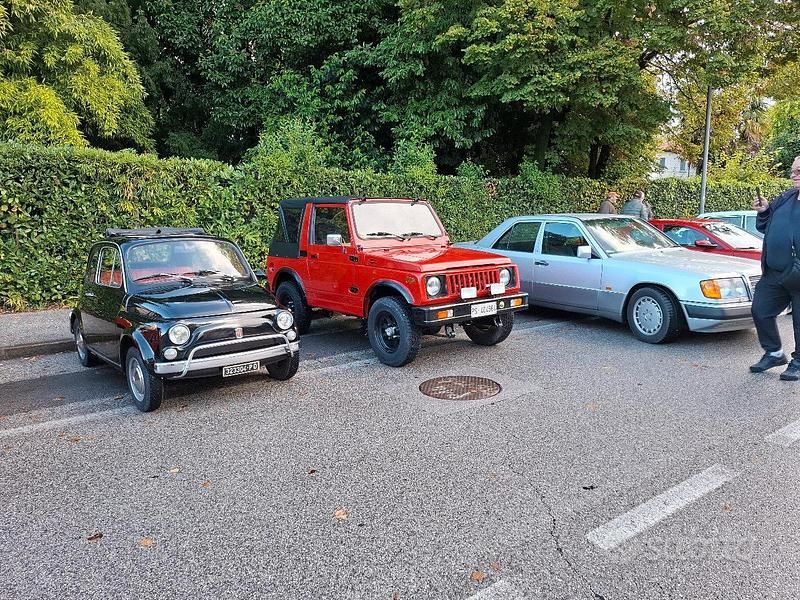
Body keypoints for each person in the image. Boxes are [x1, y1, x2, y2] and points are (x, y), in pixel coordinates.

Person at [750, 155, 800, 380]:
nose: (793, 175)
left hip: (798, 274)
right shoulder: (786, 197)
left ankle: (798, 362)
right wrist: (764, 211)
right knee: (760, 310)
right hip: (774, 272)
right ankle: (774, 353)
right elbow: (766, 226)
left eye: (799, 171)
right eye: (792, 171)